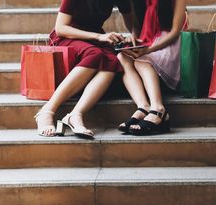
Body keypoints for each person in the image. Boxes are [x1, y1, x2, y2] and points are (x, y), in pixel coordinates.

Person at [34, 0, 135, 138]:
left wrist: (132, 36)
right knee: (96, 54)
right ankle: (47, 110)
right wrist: (99, 36)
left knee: (112, 60)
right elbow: (61, 28)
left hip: (95, 38)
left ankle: (75, 115)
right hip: (68, 36)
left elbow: (132, 25)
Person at [117, 0, 187, 135]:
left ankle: (158, 109)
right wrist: (133, 40)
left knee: (141, 61)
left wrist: (148, 50)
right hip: (148, 40)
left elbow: (175, 32)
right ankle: (143, 107)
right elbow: (137, 28)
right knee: (122, 57)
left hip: (170, 42)